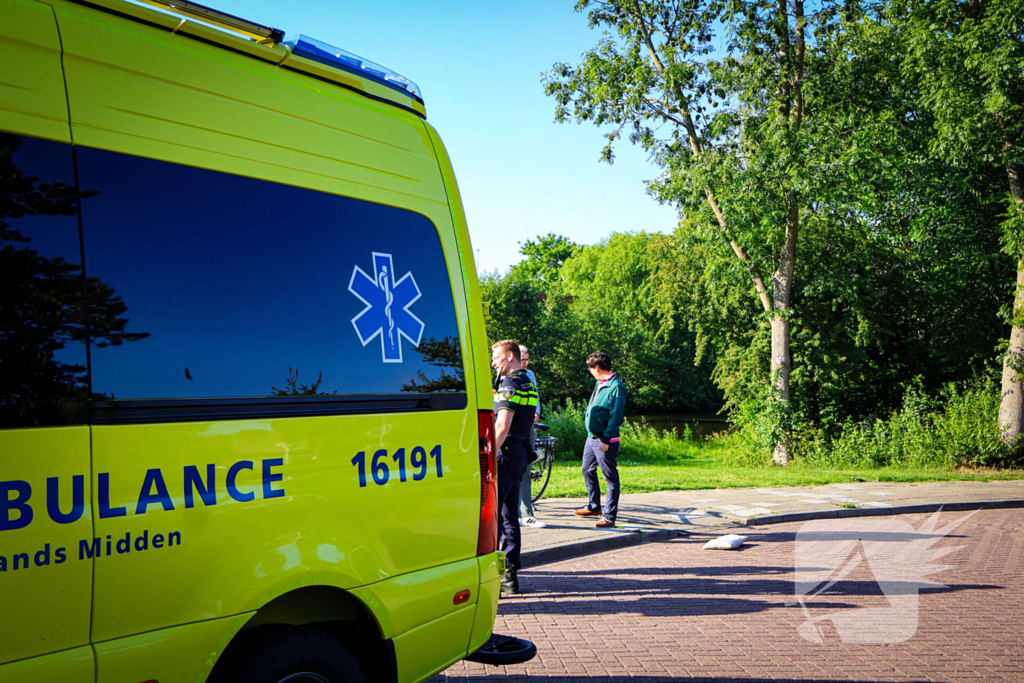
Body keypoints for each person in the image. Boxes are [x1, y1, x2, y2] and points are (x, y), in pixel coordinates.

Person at [491, 340, 538, 594]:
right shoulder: (527, 383)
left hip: (505, 455)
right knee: (510, 516)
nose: (493, 362)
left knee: (494, 517)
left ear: (510, 356)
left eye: (496, 357)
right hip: (519, 455)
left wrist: (487, 456)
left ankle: (492, 576)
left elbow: (502, 426)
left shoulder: (509, 385)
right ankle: (510, 576)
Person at [574, 351, 627, 528]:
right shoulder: (600, 383)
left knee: (610, 478)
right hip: (591, 438)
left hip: (605, 440)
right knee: (587, 469)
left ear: (597, 368)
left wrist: (606, 438)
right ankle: (594, 506)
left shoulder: (616, 387)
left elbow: (616, 416)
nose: (590, 373)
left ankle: (609, 516)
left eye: (591, 369)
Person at [518, 345, 547, 529]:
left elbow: (535, 395)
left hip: (526, 425)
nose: (526, 363)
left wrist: (535, 412)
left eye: (527, 359)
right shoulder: (501, 375)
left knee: (526, 467)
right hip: (507, 427)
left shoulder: (530, 375)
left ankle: (526, 513)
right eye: (523, 359)